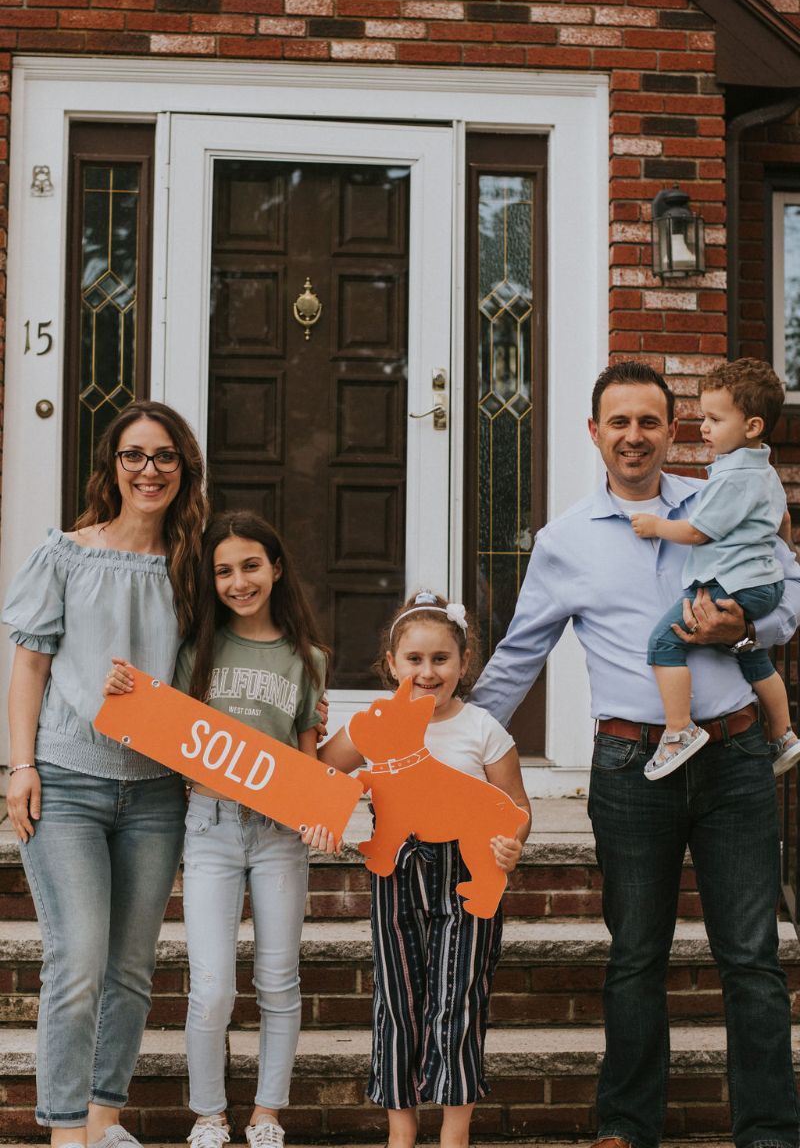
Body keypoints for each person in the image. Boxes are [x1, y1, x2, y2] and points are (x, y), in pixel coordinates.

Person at [469, 360, 800, 1148]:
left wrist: (744, 630)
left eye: (650, 421)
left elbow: (788, 597)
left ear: (673, 430)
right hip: (629, 769)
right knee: (635, 957)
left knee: (751, 957)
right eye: (618, 422)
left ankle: (768, 1132)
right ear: (594, 433)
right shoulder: (565, 540)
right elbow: (520, 656)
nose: (634, 436)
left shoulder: (723, 500)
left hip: (733, 760)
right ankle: (627, 1126)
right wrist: (459, 745)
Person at [3, 400, 207, 1148]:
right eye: (134, 456)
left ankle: (104, 1120)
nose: (148, 470)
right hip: (68, 782)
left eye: (163, 457)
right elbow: (29, 666)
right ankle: (64, 1132)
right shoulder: (67, 554)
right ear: (112, 467)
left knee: (129, 968)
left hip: (157, 792)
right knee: (79, 959)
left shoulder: (194, 565)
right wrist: (20, 765)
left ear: (183, 469)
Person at [104, 511, 329, 1148]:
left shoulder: (307, 659)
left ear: (276, 568)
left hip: (281, 834)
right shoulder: (193, 651)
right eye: (223, 570)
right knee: (211, 985)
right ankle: (208, 1115)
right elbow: (160, 727)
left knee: (279, 980)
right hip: (210, 825)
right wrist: (123, 689)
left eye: (251, 565)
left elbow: (308, 760)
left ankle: (266, 1115)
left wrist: (320, 812)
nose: (238, 581)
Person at [318, 590, 530, 1148]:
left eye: (441, 659)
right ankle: (401, 1132)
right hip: (396, 878)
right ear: (391, 665)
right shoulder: (372, 724)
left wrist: (511, 844)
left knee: (458, 998)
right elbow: (321, 774)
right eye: (414, 660)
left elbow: (516, 806)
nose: (428, 671)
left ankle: (454, 1133)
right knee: (398, 999)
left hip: (470, 871)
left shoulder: (482, 727)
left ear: (464, 665)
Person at [630, 358, 800, 779]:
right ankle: (784, 735)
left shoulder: (731, 479)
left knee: (663, 644)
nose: (703, 427)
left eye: (714, 418)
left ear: (753, 426)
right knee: (752, 656)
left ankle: (678, 731)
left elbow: (697, 532)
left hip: (731, 583)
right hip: (762, 583)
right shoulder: (764, 472)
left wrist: (655, 525)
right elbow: (781, 524)